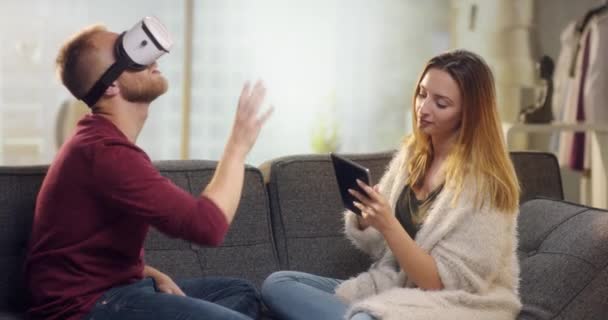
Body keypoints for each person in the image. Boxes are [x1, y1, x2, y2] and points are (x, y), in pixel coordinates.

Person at [24, 19, 272, 320]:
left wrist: (148, 273)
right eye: (129, 52)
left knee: (239, 293)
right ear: (111, 84)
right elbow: (207, 225)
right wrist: (238, 145)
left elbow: (84, 251)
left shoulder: (102, 142)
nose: (153, 58)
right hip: (86, 309)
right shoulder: (103, 153)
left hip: (123, 291)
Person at [261, 50, 521, 320]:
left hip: (453, 305)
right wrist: (367, 216)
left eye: (441, 103)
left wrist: (388, 223)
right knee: (279, 284)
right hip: (393, 288)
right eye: (422, 94)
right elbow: (380, 247)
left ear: (469, 114)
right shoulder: (413, 155)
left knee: (363, 318)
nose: (424, 108)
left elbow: (437, 283)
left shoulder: (487, 186)